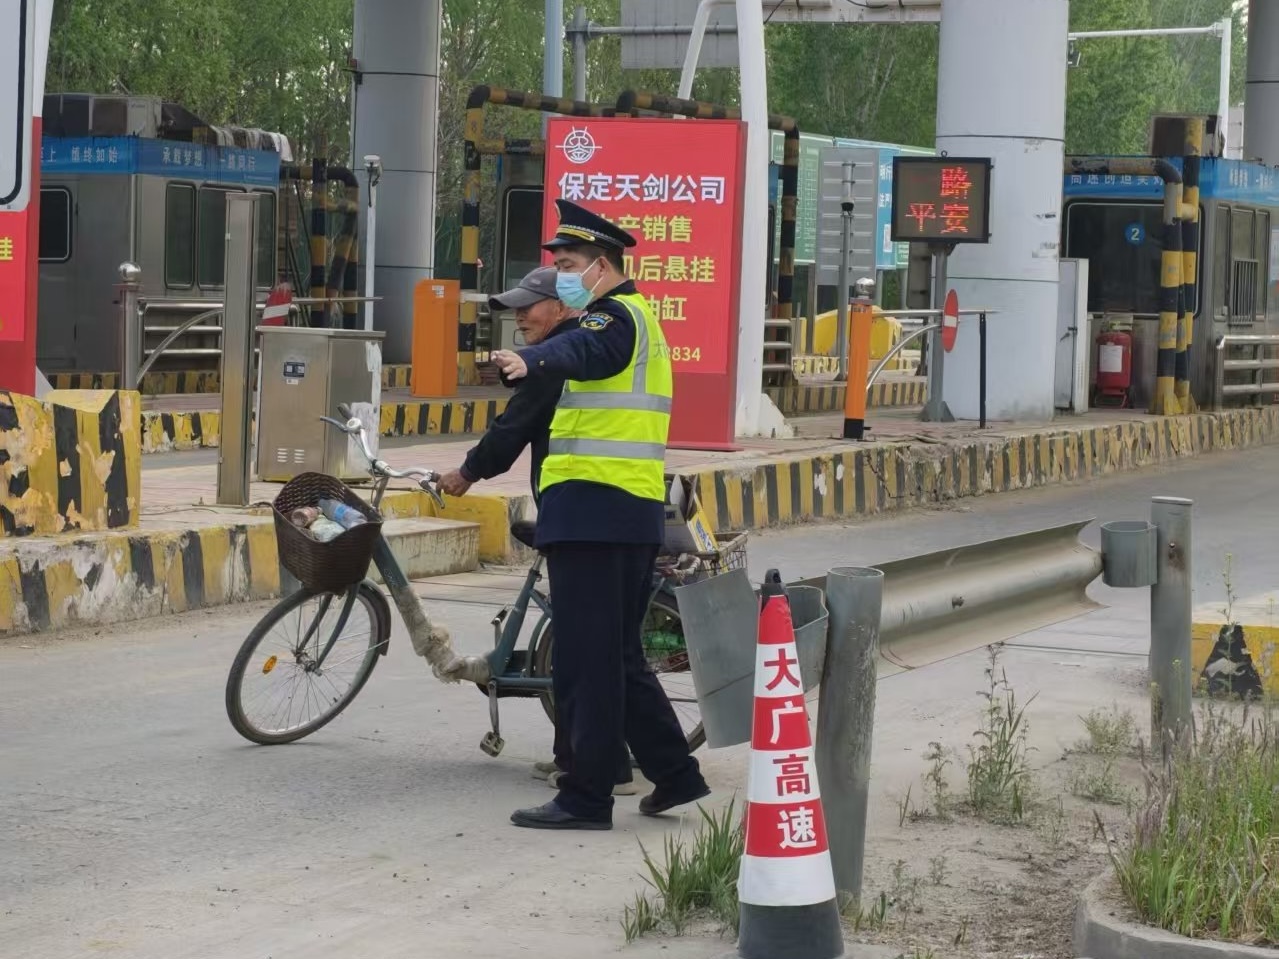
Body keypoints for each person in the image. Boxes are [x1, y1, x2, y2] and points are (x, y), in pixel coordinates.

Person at [491, 198, 710, 830]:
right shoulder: (635, 318)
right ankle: (676, 775)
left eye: (569, 265)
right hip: (624, 512)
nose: (562, 275)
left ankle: (585, 797)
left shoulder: (613, 317)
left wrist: (532, 358)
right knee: (617, 657)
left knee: (585, 661)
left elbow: (585, 352)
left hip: (596, 510)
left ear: (601, 266)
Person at [437, 266, 635, 797]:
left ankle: (594, 765)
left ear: (563, 306)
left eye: (530, 306)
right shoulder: (576, 349)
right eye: (516, 309)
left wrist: (466, 472)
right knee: (597, 648)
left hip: (579, 509)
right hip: (597, 504)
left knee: (579, 649)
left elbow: (515, 426)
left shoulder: (560, 355)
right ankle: (599, 758)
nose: (520, 317)